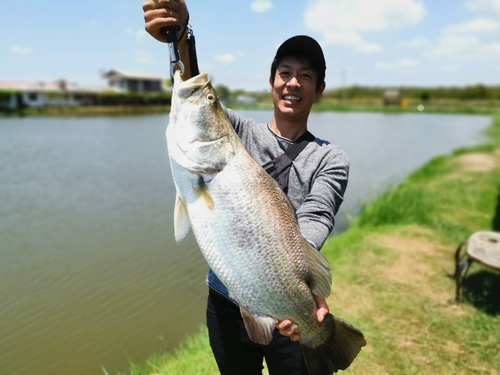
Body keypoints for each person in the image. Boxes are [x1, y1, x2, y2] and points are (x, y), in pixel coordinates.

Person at [143, 1, 350, 374]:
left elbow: (317, 216)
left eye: (305, 76)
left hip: (287, 306)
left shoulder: (331, 159)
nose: (293, 82)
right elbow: (199, 93)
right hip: (225, 303)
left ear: (318, 89)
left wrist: (295, 292)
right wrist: (181, 35)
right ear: (271, 82)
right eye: (284, 72)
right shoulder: (237, 132)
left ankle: (323, 345)